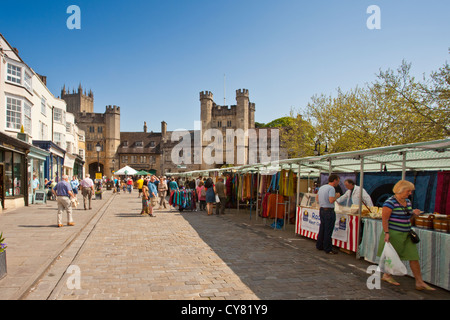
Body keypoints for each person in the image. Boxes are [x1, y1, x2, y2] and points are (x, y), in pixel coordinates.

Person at [377, 180, 435, 290]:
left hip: (407, 233)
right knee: (393, 256)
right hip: (394, 233)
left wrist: (414, 214)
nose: (410, 193)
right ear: (400, 190)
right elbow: (385, 219)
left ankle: (419, 281)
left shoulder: (407, 202)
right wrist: (387, 233)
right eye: (408, 191)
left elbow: (408, 217)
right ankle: (387, 275)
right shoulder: (390, 202)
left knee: (414, 257)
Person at [316, 174, 341, 254]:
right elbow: (331, 200)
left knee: (322, 228)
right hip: (329, 211)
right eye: (338, 181)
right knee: (328, 230)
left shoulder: (322, 187)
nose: (338, 183)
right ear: (334, 180)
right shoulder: (331, 188)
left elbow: (317, 198)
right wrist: (336, 196)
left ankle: (319, 245)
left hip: (322, 209)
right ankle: (328, 248)